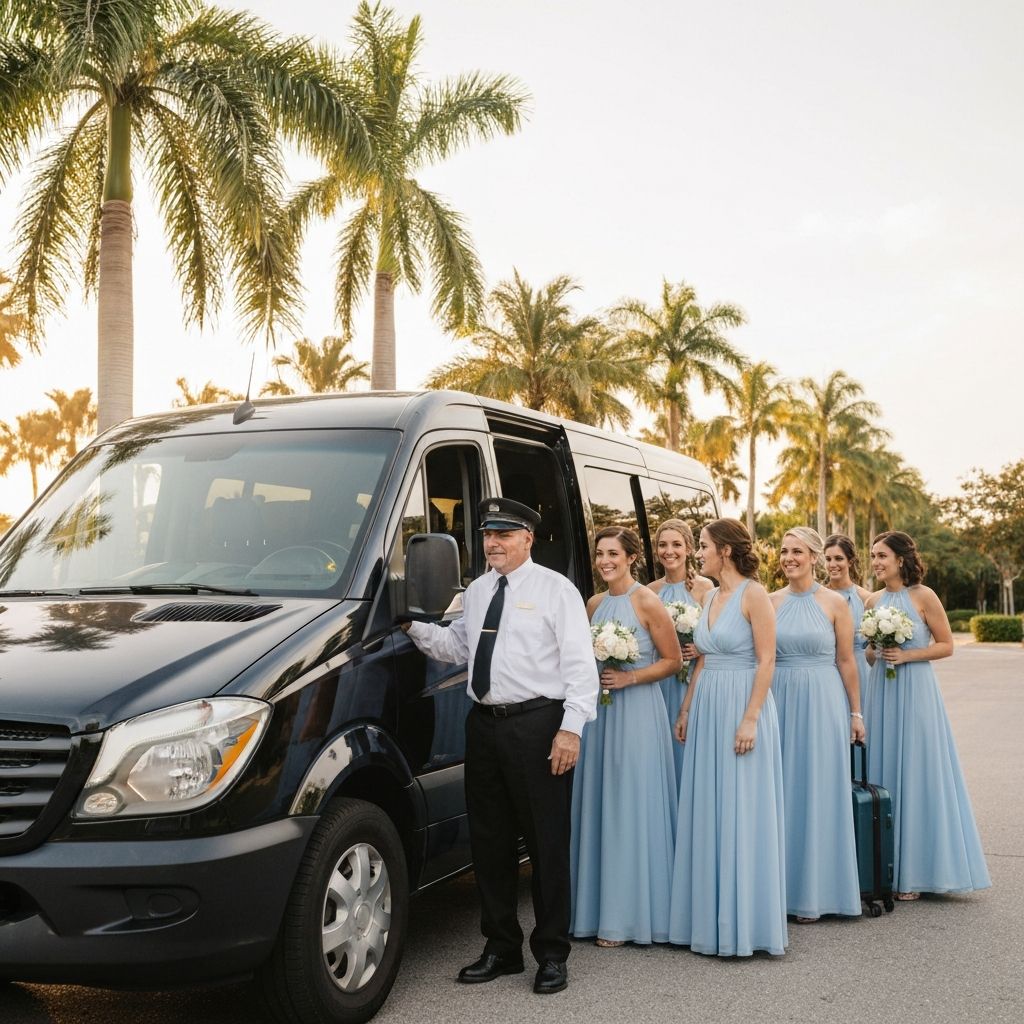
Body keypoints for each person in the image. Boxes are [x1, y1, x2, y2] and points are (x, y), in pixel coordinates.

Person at [403, 497, 598, 994]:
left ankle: (552, 953)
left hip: (539, 726)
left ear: (527, 539)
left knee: (545, 845)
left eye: (505, 535)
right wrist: (409, 623)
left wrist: (570, 729)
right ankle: (502, 948)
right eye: (489, 534)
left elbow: (580, 668)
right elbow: (458, 648)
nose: (493, 543)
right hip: (484, 726)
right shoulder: (478, 590)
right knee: (489, 843)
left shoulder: (557, 591)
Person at [668, 518, 788, 956]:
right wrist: (685, 710)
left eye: (702, 546)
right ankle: (706, 919)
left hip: (741, 705)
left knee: (741, 810)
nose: (698, 553)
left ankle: (745, 924)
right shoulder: (710, 595)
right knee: (709, 808)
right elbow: (703, 660)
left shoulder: (753, 594)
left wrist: (751, 718)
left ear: (726, 550)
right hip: (707, 707)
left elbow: (767, 660)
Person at [864, 531, 991, 900]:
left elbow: (946, 645)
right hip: (882, 691)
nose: (876, 562)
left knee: (918, 771)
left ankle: (918, 872)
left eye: (882, 555)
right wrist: (877, 648)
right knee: (883, 769)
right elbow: (870, 653)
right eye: (873, 556)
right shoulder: (871, 599)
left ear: (900, 559)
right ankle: (884, 868)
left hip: (916, 690)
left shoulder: (924, 596)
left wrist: (906, 655)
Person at [570, 527, 682, 947]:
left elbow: (672, 661)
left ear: (631, 557)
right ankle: (595, 910)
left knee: (630, 803)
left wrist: (630, 676)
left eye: (613, 553)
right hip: (598, 715)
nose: (604, 561)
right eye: (600, 554)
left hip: (637, 712)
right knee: (600, 802)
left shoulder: (647, 601)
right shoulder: (594, 603)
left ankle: (629, 915)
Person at [770, 527, 864, 922]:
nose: (788, 557)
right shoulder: (769, 601)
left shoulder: (835, 603)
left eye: (797, 551)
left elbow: (846, 661)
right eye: (784, 551)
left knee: (818, 789)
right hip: (779, 697)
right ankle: (779, 889)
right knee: (782, 788)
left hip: (823, 699)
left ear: (813, 556)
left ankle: (816, 891)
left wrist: (856, 713)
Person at [647, 518, 713, 788]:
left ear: (688, 549)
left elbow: (715, 637)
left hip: (693, 683)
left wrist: (700, 647)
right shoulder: (650, 591)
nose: (668, 551)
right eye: (662, 545)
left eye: (676, 544)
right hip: (659, 683)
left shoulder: (706, 588)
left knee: (688, 753)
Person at [824, 533, 872, 690]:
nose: (832, 564)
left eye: (838, 558)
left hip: (860, 672)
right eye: (828, 559)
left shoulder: (866, 599)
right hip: (827, 671)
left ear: (850, 561)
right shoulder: (817, 597)